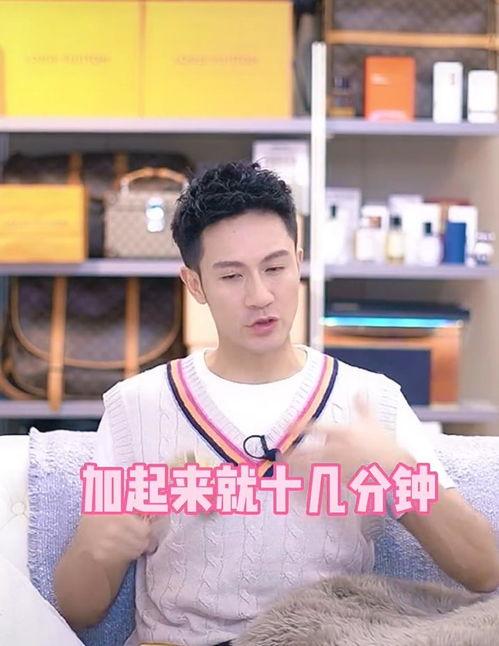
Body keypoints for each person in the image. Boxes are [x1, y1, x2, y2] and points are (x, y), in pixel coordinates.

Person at [54, 161, 499, 646]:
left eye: (275, 267)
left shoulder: (371, 400)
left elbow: (483, 570)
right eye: (231, 276)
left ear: (299, 261)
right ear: (195, 284)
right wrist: (99, 550)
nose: (260, 296)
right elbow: (79, 610)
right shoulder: (136, 407)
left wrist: (396, 471)